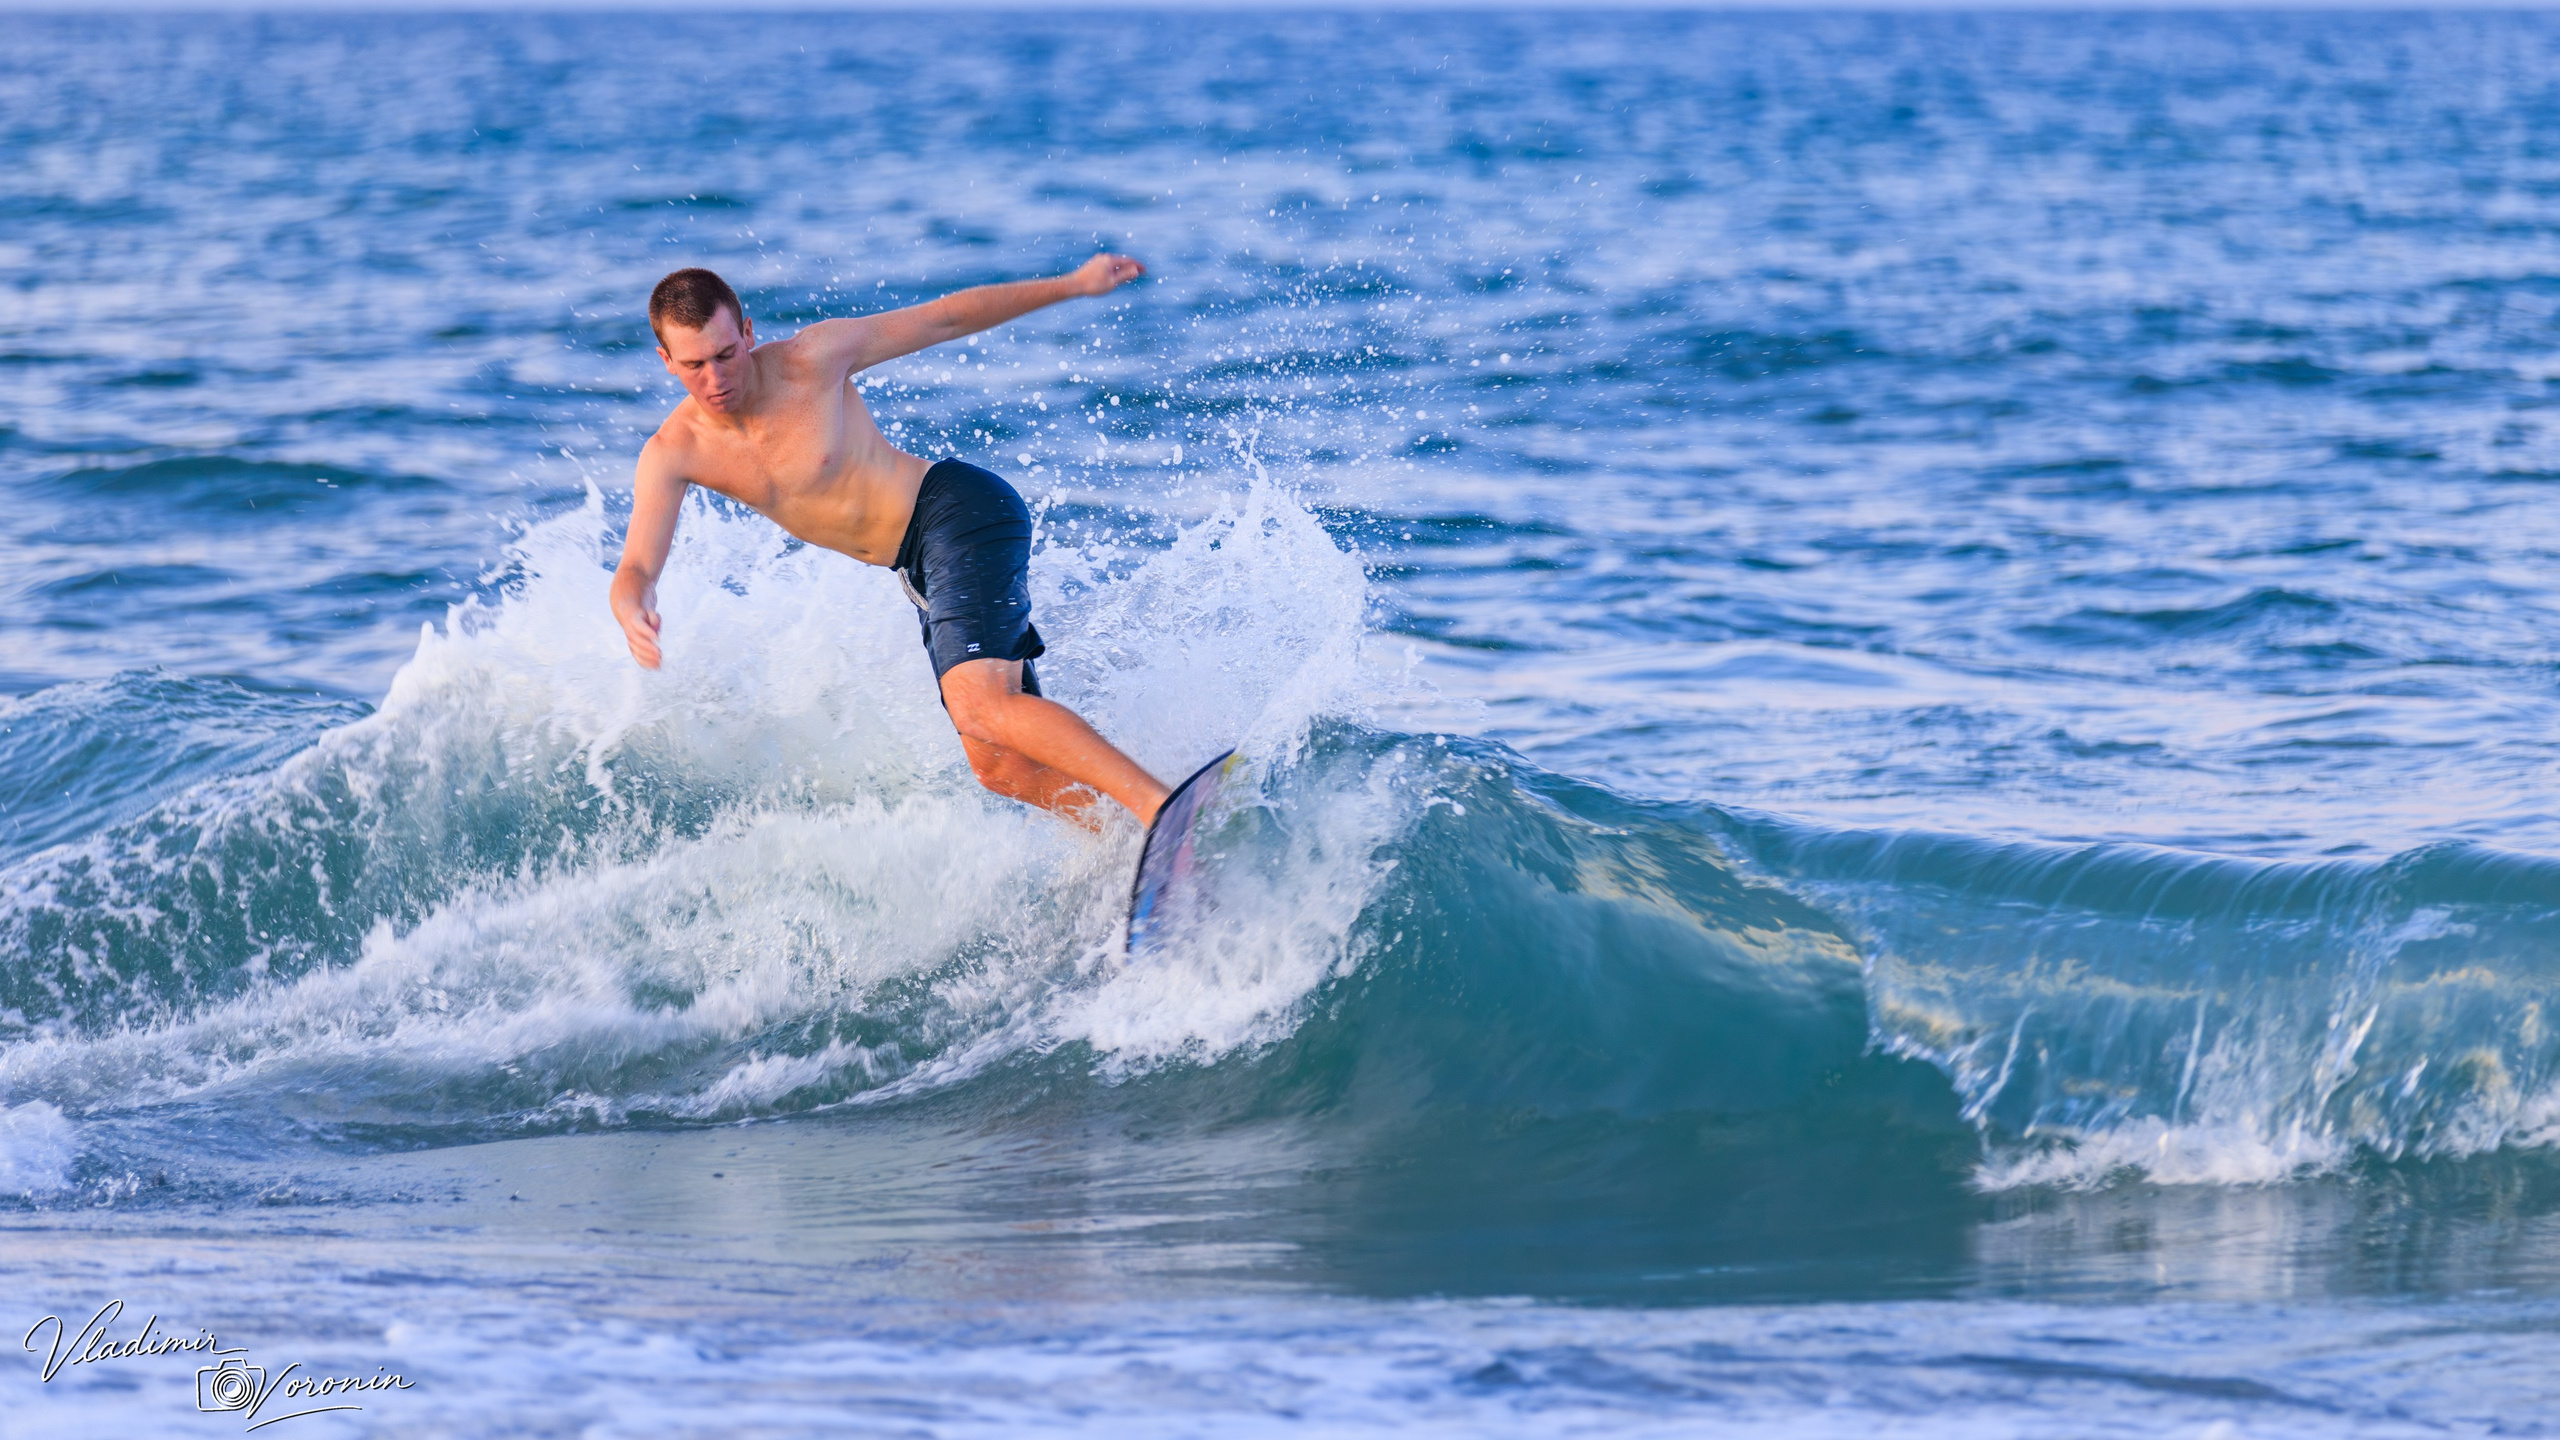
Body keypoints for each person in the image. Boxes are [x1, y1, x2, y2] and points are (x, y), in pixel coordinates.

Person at [610, 257, 1172, 826]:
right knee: (1000, 767)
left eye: (726, 354)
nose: (716, 378)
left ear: (748, 332)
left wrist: (1072, 284)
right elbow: (636, 567)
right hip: (920, 568)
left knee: (982, 705)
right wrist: (632, 607)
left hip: (955, 512)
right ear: (667, 361)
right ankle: (1124, 837)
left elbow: (943, 319)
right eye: (694, 364)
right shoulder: (674, 452)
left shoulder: (812, 359)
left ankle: (1161, 807)